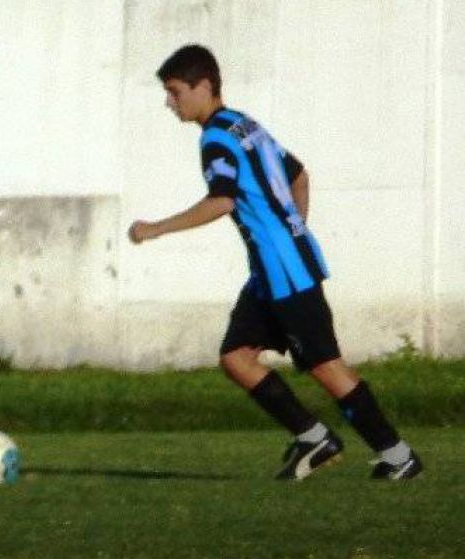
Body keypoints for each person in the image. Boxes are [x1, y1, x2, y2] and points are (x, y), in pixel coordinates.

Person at [128, 44, 421, 481]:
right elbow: (299, 174)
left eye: (174, 91)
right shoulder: (245, 125)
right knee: (236, 357)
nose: (170, 102)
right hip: (274, 269)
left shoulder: (216, 139)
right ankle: (313, 437)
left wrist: (156, 228)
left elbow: (222, 201)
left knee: (325, 365)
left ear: (203, 86)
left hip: (285, 272)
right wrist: (293, 229)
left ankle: (397, 456)